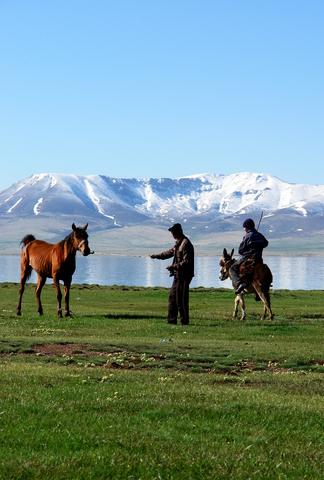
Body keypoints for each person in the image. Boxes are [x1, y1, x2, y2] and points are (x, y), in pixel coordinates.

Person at [150, 223, 194, 325]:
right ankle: (171, 321)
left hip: (184, 276)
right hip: (177, 276)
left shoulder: (186, 244)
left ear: (175, 233)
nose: (172, 234)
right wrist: (156, 256)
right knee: (172, 299)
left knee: (181, 300)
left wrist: (173, 266)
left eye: (172, 232)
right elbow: (169, 253)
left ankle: (184, 321)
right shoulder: (178, 243)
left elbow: (187, 262)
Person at [230, 218, 269, 295]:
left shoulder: (247, 236)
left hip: (247, 258)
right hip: (258, 258)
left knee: (232, 268)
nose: (244, 229)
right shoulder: (260, 235)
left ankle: (239, 283)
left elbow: (240, 250)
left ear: (247, 227)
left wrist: (242, 243)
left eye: (244, 227)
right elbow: (266, 244)